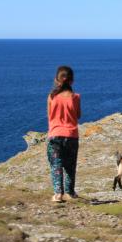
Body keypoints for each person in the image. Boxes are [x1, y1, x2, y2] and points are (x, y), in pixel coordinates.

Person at [46, 66, 81, 202]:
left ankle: (58, 194)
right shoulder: (75, 97)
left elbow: (49, 116)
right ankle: (70, 192)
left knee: (56, 165)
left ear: (56, 80)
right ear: (72, 81)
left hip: (55, 134)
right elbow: (78, 115)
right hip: (71, 135)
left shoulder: (51, 97)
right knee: (70, 166)